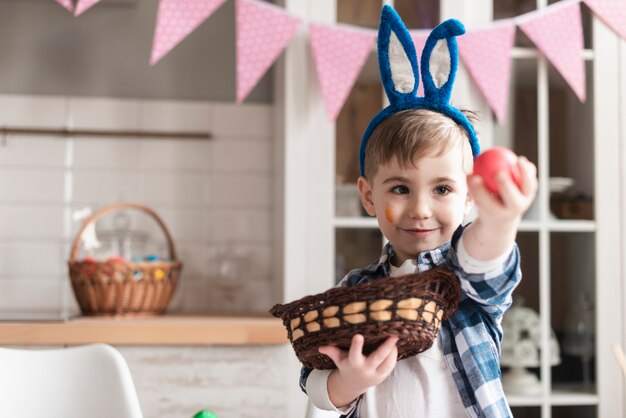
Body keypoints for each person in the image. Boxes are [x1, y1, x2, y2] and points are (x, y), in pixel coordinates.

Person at [299, 6, 537, 418]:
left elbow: (486, 261)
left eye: (442, 188)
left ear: (468, 196)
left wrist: (501, 220)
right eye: (400, 189)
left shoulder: (461, 280)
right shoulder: (354, 290)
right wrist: (347, 384)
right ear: (369, 197)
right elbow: (312, 379)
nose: (420, 209)